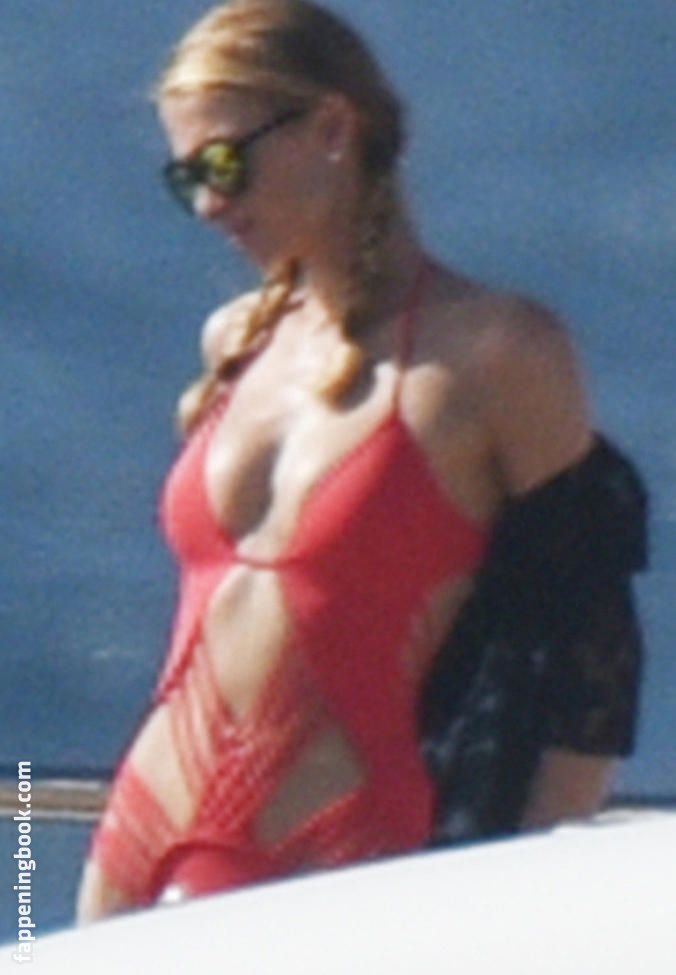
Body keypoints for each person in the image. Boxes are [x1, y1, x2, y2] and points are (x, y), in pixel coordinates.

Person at [76, 0, 646, 922]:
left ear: (333, 129)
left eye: (224, 165)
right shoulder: (236, 343)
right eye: (187, 181)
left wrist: (515, 899)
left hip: (345, 859)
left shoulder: (498, 353)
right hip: (134, 850)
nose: (211, 205)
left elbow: (592, 666)